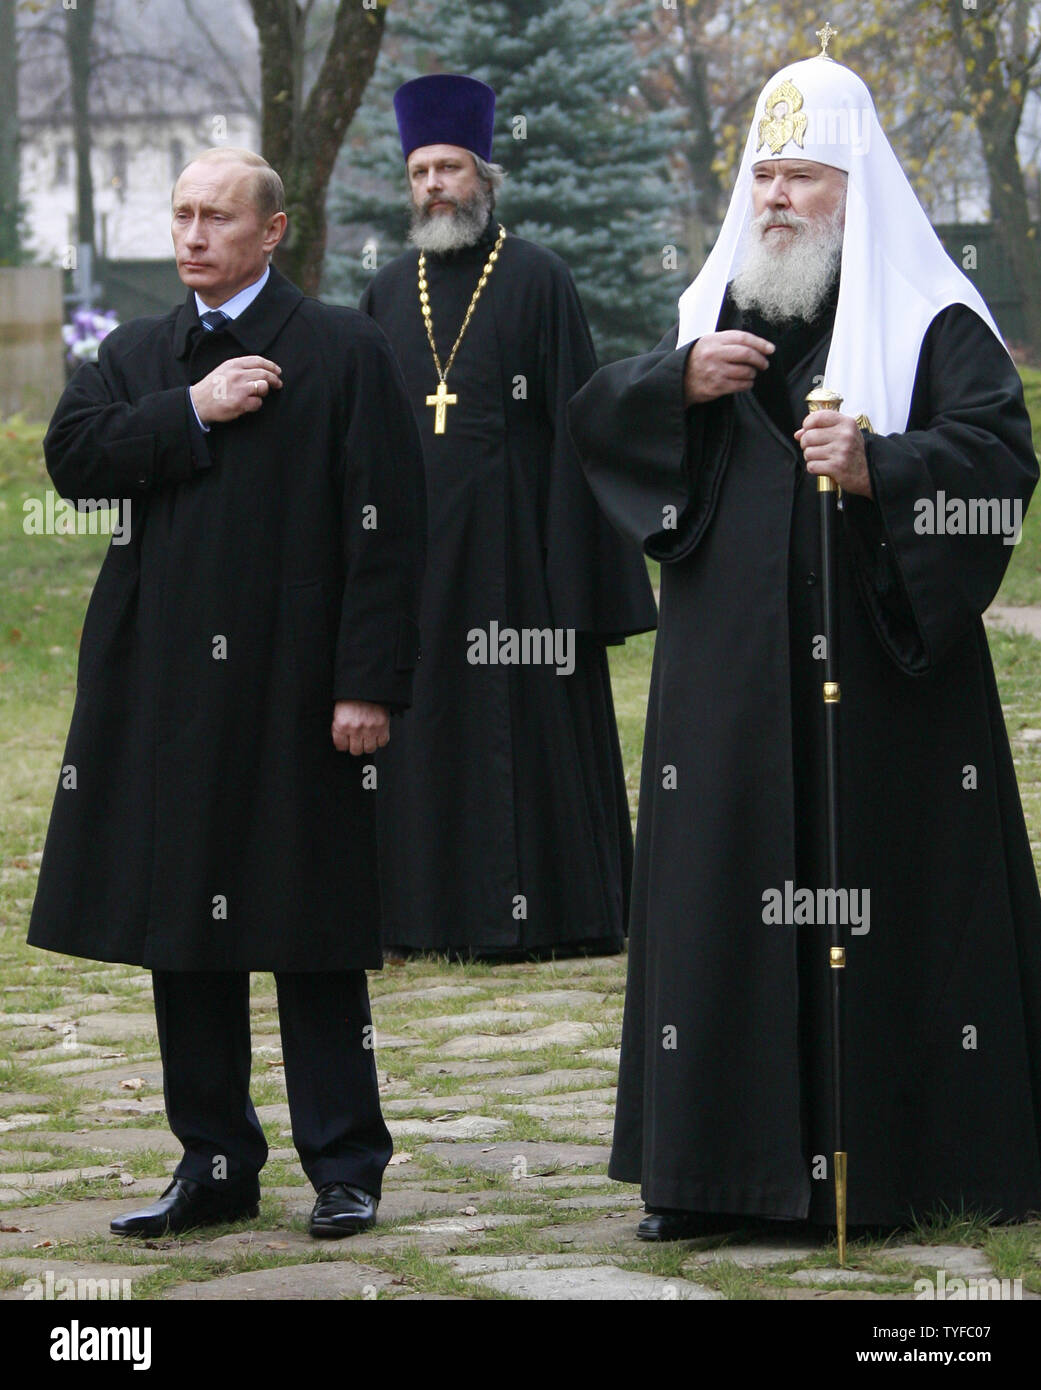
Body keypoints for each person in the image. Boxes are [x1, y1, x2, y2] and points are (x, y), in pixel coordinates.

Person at [568, 50, 1041, 1240]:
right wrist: (674, 385)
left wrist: (886, 466)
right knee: (720, 892)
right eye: (765, 174)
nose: (778, 196)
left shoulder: (934, 316)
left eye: (806, 176)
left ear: (855, 189)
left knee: (882, 897)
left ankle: (902, 1166)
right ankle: (708, 1174)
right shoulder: (713, 309)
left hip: (886, 682)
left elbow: (998, 461)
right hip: (724, 677)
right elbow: (602, 433)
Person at [28, 148, 426, 1240]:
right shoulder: (144, 354)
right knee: (186, 930)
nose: (193, 235)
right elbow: (73, 456)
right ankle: (212, 1160)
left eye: (216, 217)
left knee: (313, 929)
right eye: (182, 214)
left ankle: (346, 1162)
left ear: (274, 230)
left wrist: (368, 684)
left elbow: (390, 530)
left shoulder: (345, 347)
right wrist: (192, 410)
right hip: (170, 694)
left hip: (303, 692)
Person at [359, 74, 657, 959]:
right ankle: (415, 916)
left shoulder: (537, 278)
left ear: (483, 176)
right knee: (417, 731)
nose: (433, 187)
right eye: (419, 172)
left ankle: (546, 914)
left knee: (519, 729)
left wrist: (575, 575)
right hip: (416, 562)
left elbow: (579, 429)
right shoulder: (386, 290)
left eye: (449, 168)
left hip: (517, 559)